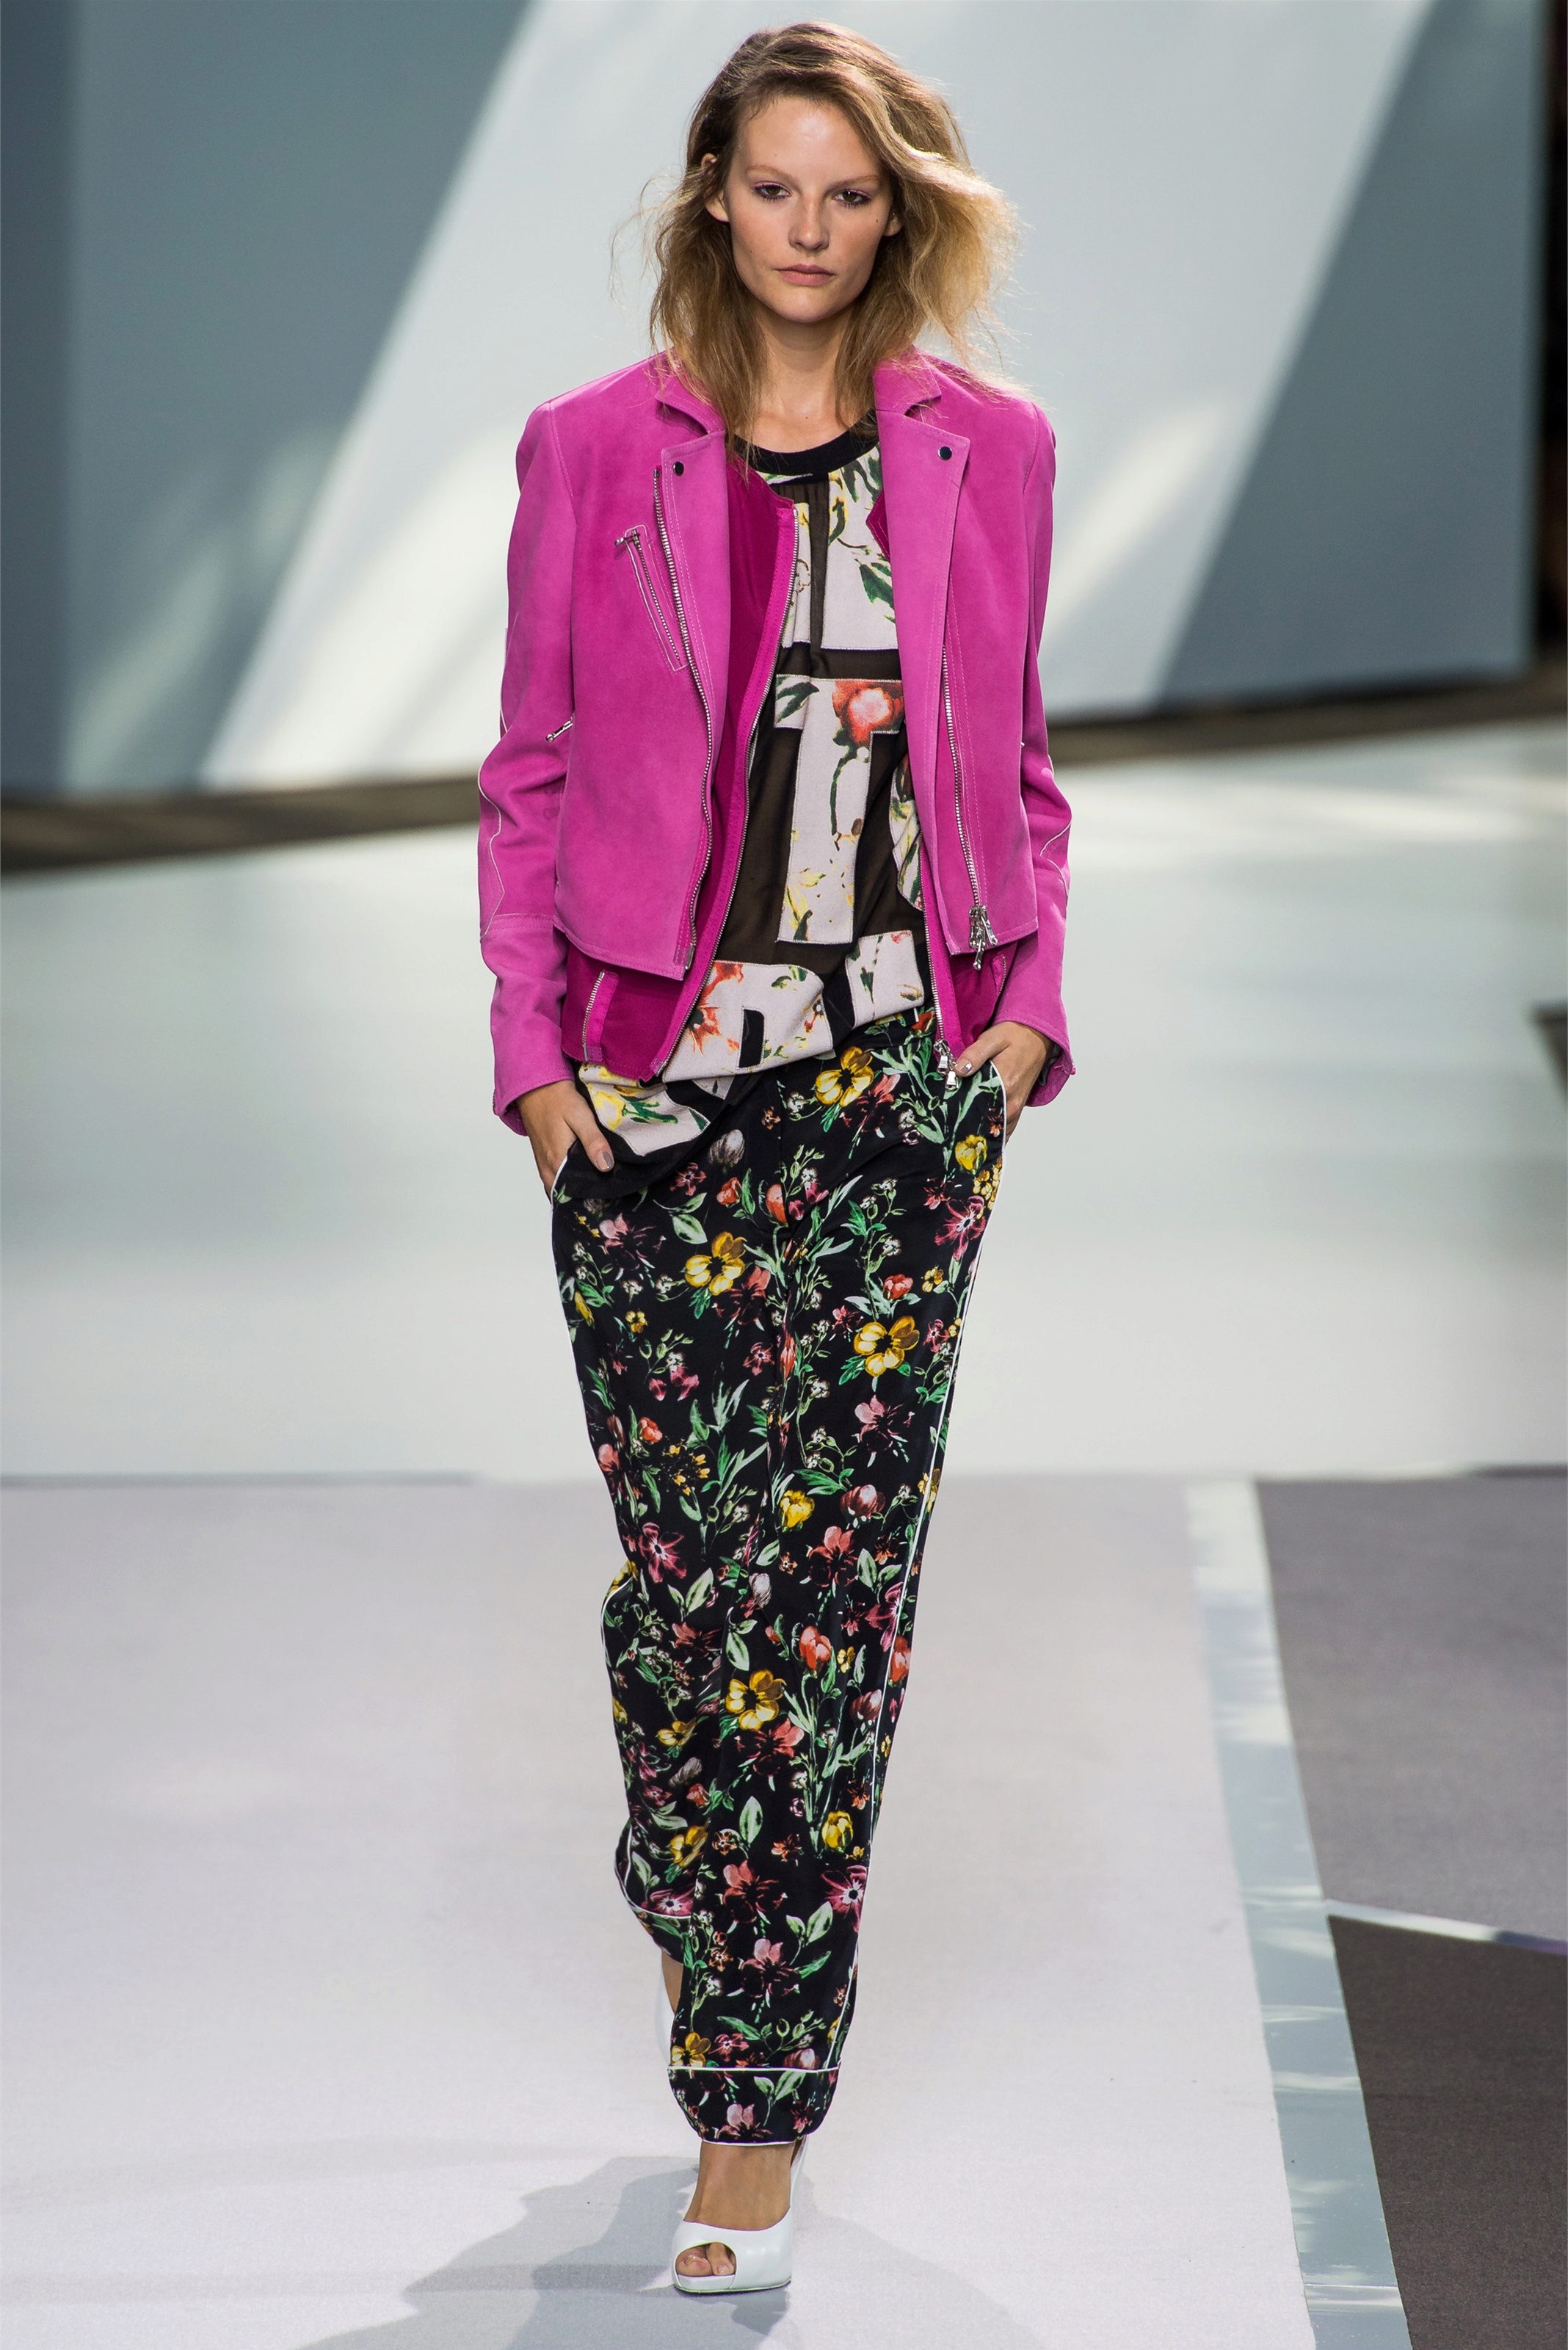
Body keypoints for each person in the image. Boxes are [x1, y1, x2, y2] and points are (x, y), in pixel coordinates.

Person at [476, 19, 1072, 2296]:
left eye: (849, 193)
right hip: (652, 1096)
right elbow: (530, 774)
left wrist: (1021, 1018)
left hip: (895, 1097)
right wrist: (537, 1064)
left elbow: (1017, 767)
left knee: (834, 1609)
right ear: (710, 196)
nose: (809, 230)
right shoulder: (592, 448)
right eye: (772, 187)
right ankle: (697, 1864)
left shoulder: (989, 451)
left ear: (894, 212)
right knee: (692, 1593)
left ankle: (754, 2091)